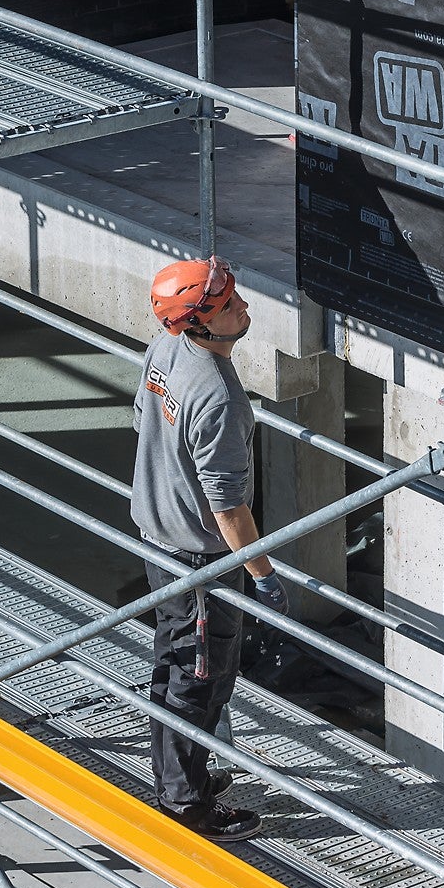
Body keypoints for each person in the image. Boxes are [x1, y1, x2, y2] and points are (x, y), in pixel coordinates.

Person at [131, 256, 289, 843]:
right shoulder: (220, 398)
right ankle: (187, 804)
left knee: (174, 666)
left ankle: (181, 774)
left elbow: (140, 419)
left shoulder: (165, 351)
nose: (244, 308)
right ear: (199, 322)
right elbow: (228, 509)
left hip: (157, 536)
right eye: (229, 305)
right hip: (199, 558)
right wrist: (264, 575)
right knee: (199, 676)